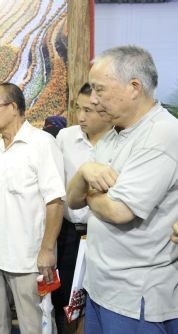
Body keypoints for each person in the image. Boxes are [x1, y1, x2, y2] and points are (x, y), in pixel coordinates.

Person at [67, 46, 178, 333]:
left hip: (135, 296)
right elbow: (73, 198)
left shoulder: (160, 134)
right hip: (101, 285)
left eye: (100, 89)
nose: (94, 99)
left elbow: (120, 211)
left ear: (134, 87)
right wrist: (85, 171)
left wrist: (91, 193)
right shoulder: (114, 134)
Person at [0, 82, 65, 333]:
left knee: (35, 326)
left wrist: (47, 250)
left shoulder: (42, 144)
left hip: (29, 260)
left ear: (13, 107)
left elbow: (55, 201)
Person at [51, 83, 112, 333]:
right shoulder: (66, 137)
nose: (81, 116)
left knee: (98, 301)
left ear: (106, 111)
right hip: (68, 235)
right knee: (65, 302)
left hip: (103, 233)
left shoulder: (118, 142)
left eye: (89, 110)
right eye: (78, 108)